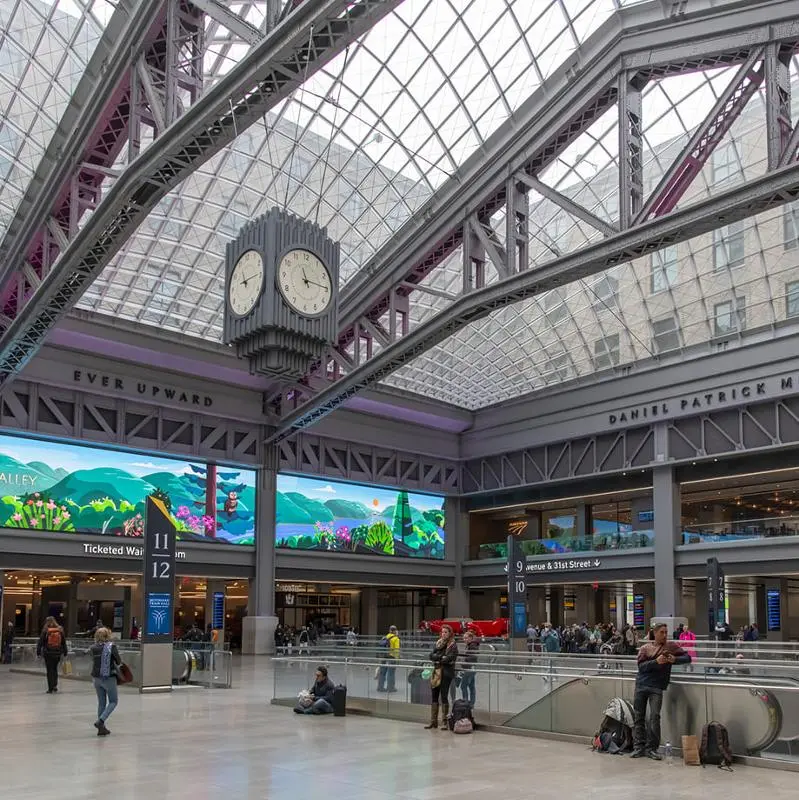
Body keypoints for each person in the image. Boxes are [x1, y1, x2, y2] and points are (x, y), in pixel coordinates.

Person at [631, 622, 691, 760]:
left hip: (657, 687)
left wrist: (675, 659)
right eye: (661, 632)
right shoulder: (645, 648)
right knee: (638, 717)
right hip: (641, 685)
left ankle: (652, 748)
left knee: (655, 717)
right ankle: (638, 747)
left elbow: (687, 657)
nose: (664, 635)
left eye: (666, 632)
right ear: (655, 633)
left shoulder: (670, 646)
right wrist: (656, 662)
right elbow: (641, 667)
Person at [424, 624, 458, 731]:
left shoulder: (453, 645)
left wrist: (438, 658)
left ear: (450, 633)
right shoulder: (438, 643)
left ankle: (444, 722)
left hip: (446, 673)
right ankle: (433, 722)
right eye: (442, 632)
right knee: (434, 696)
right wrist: (440, 657)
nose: (444, 634)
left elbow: (449, 658)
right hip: (436, 672)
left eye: (446, 632)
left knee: (444, 696)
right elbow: (431, 655)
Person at [90, 627, 121, 736]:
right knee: (113, 701)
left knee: (101, 703)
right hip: (108, 677)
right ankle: (101, 721)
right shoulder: (111, 646)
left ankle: (101, 729)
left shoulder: (93, 647)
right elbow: (118, 661)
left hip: (96, 678)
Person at [36, 616, 67, 694]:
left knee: (49, 670)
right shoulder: (60, 630)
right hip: (57, 653)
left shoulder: (46, 630)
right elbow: (63, 642)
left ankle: (50, 688)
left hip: (48, 653)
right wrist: (65, 652)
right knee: (55, 669)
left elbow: (40, 642)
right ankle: (55, 686)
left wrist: (38, 652)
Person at [377, 625, 400, 693]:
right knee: (391, 673)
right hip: (391, 657)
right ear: (395, 631)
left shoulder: (386, 637)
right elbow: (396, 650)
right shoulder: (396, 639)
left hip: (384, 656)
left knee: (382, 672)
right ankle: (390, 688)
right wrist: (397, 659)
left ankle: (380, 687)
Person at [460, 630, 480, 706]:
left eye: (466, 638)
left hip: (470, 668)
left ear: (471, 638)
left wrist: (463, 661)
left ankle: (466, 704)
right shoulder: (471, 645)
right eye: (464, 638)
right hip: (472, 667)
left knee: (463, 686)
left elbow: (472, 657)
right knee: (471, 686)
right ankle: (471, 703)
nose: (464, 640)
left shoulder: (472, 645)